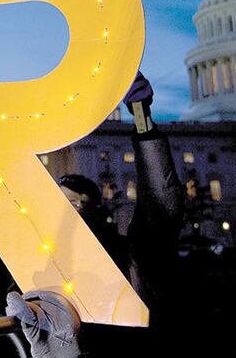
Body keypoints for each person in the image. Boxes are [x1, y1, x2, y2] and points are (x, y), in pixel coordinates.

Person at [56, 71, 184, 318]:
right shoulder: (43, 259)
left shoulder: (130, 255)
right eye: (62, 203)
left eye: (76, 204)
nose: (69, 212)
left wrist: (141, 118)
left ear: (94, 208)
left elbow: (159, 202)